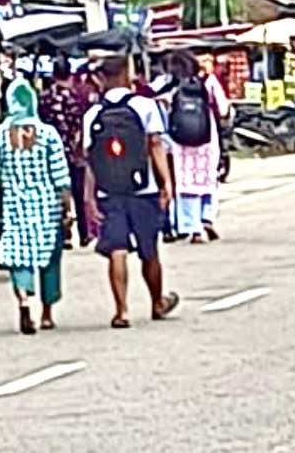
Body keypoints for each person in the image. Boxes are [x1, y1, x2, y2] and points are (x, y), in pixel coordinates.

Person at [83, 54, 179, 329]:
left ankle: (122, 310)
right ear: (127, 75)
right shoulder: (145, 106)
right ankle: (157, 303)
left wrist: (90, 197)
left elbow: (90, 159)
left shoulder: (93, 114)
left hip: (108, 190)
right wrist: (166, 184)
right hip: (143, 188)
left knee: (117, 250)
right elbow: (156, 146)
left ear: (102, 79)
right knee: (149, 250)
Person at [0, 77, 72, 335]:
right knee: (49, 258)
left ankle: (24, 301)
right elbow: (60, 175)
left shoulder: (0, 134)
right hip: (46, 206)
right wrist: (67, 207)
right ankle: (46, 314)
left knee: (19, 256)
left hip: (14, 204)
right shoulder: (47, 133)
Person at [163, 51, 230, 244]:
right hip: (206, 136)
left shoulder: (172, 86)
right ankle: (207, 217)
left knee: (185, 183)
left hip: (181, 139)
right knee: (208, 178)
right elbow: (223, 109)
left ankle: (193, 229)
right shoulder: (208, 82)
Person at [40, 59, 93, 249]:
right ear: (70, 75)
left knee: (57, 193)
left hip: (51, 152)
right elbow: (80, 125)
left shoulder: (44, 97)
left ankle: (64, 235)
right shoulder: (75, 97)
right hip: (72, 151)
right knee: (78, 192)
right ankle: (84, 233)